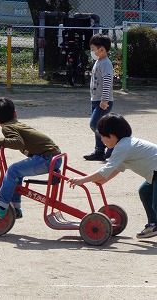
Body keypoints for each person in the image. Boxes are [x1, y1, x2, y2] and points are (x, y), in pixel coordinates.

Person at [68, 113, 157, 239]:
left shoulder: (122, 146)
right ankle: (153, 225)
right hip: (154, 175)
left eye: (102, 137)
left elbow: (106, 169)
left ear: (112, 135)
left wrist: (82, 180)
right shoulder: (126, 144)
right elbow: (119, 167)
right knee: (145, 191)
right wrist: (105, 180)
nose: (102, 141)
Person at [0, 97, 62, 219]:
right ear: (15, 113)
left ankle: (0, 206)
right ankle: (15, 207)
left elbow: (18, 143)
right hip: (52, 156)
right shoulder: (16, 124)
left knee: (13, 170)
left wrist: (0, 141)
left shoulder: (7, 127)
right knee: (17, 173)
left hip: (47, 159)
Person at [83, 33, 114, 161]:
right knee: (98, 126)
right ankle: (99, 151)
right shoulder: (98, 61)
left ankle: (112, 146)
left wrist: (104, 99)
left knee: (94, 124)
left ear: (101, 49)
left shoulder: (105, 63)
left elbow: (108, 82)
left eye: (93, 49)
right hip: (96, 100)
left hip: (103, 101)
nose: (92, 52)